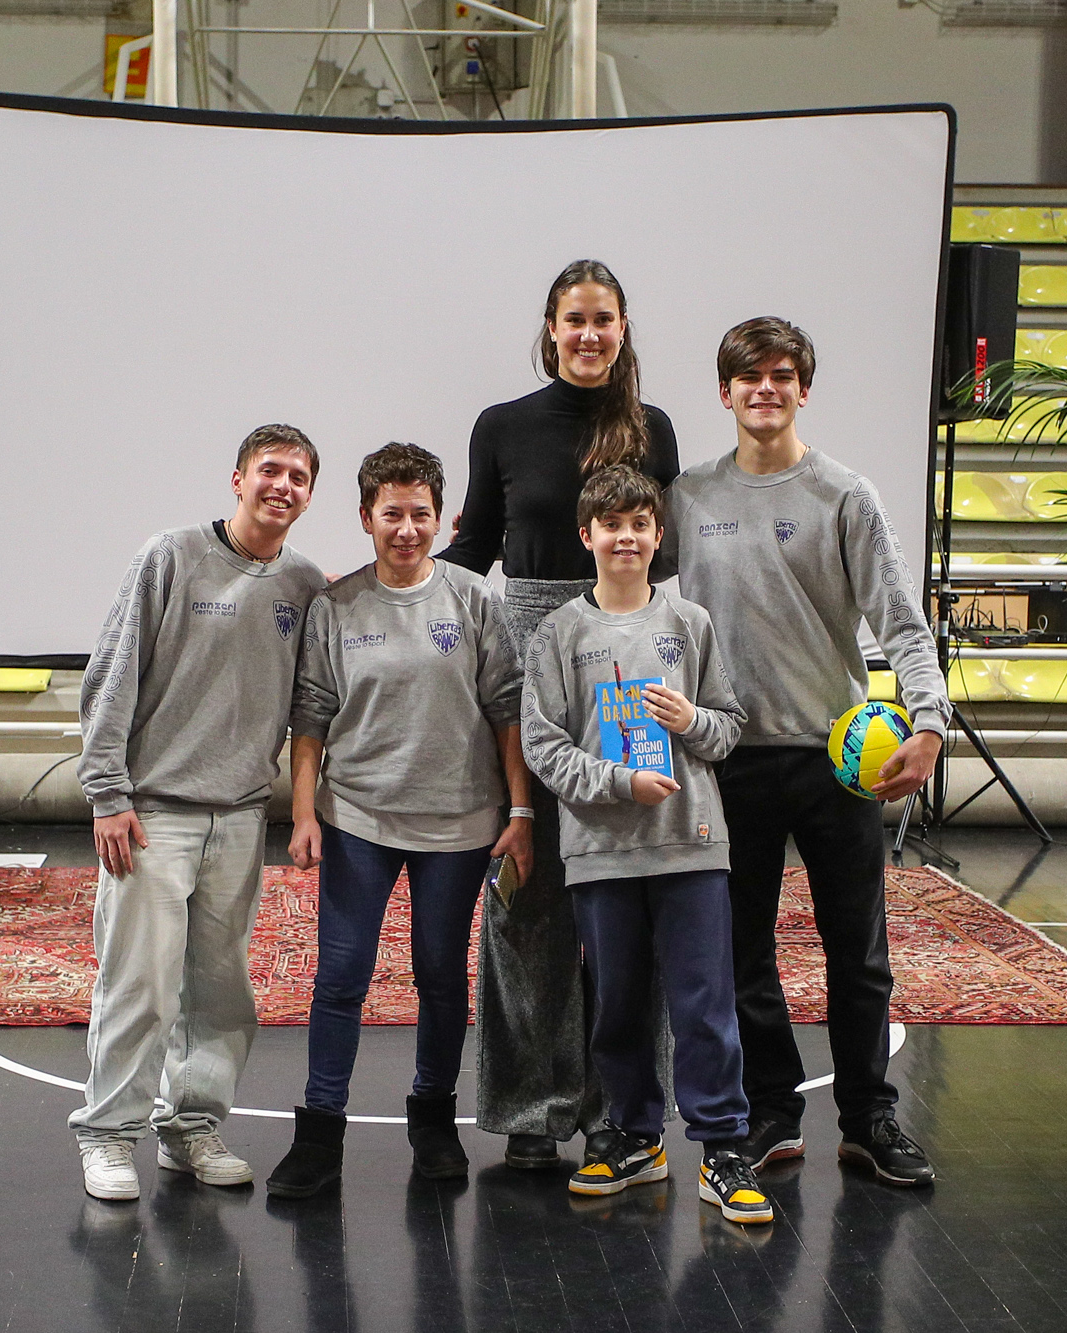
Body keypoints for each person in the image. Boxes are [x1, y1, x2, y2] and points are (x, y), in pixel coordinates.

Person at [668, 317, 950, 1186]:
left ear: (802, 389)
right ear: (725, 392)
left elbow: (901, 621)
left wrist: (930, 724)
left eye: (782, 375)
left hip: (838, 762)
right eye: (749, 377)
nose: (766, 389)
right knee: (741, 951)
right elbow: (626, 573)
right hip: (729, 758)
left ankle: (868, 1118)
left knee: (856, 953)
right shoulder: (688, 496)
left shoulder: (845, 496)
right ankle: (773, 1113)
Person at [439, 260, 682, 1169]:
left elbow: (667, 559)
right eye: (574, 319)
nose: (588, 334)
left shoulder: (653, 429)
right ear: (550, 327)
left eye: (603, 319)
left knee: (625, 895)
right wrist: (386, 592)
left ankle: (623, 1109)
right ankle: (533, 1108)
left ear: (622, 328)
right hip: (529, 664)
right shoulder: (501, 426)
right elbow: (472, 549)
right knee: (529, 894)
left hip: (626, 668)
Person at [265, 443, 534, 1198]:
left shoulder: (473, 600)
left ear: (441, 519)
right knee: (340, 976)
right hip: (358, 819)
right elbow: (311, 715)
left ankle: (434, 1122)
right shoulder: (336, 606)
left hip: (459, 824)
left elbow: (507, 710)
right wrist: (304, 812)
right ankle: (319, 1133)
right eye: (392, 514)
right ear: (366, 518)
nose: (407, 529)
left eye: (420, 514)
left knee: (441, 976)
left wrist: (519, 810)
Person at [71, 424, 329, 1201]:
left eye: (298, 476)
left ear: (309, 495)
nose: (282, 485)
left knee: (221, 996)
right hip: (153, 814)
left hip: (241, 816)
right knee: (142, 987)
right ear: (238, 479)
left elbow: (312, 702)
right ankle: (108, 1135)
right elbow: (111, 674)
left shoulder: (304, 584)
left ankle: (190, 1128)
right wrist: (107, 795)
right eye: (269, 470)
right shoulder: (171, 556)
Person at [520, 465, 770, 1224]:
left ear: (659, 536)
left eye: (639, 524)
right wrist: (620, 782)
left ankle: (723, 1148)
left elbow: (729, 727)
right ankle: (634, 1136)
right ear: (586, 535)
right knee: (618, 1005)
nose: (625, 537)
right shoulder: (558, 633)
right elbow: (541, 745)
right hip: (601, 851)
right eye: (611, 524)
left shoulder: (690, 623)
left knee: (704, 1005)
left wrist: (691, 720)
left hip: (691, 845)